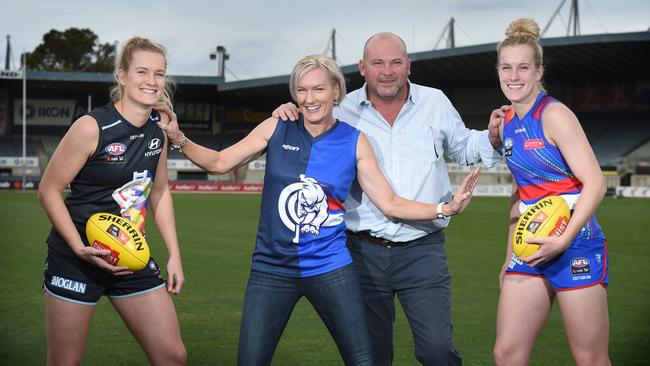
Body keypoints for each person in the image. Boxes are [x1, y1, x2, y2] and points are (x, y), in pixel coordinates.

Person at [156, 54, 480, 366]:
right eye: (302, 90)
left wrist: (445, 207)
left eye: (318, 89)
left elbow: (390, 203)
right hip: (271, 269)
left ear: (336, 91)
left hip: (330, 268)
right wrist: (179, 137)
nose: (310, 98)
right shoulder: (276, 127)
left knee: (364, 360)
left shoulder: (355, 141)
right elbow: (219, 162)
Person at [273, 33, 503, 365]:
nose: (387, 71)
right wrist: (288, 112)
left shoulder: (435, 102)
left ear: (408, 66)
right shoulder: (343, 109)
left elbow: (465, 147)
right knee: (371, 356)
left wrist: (492, 138)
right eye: (378, 63)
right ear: (363, 68)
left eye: (396, 62)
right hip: (359, 252)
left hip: (422, 249)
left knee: (437, 350)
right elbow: (308, 119)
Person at [38, 37, 186, 366]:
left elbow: (159, 192)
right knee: (64, 361)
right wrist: (78, 247)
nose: (152, 81)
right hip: (77, 257)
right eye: (142, 72)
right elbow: (49, 189)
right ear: (122, 76)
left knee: (172, 356)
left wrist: (174, 254)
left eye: (159, 74)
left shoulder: (158, 132)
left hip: (131, 254)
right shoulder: (92, 127)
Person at [490, 18, 610, 366]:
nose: (514, 76)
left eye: (523, 67)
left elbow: (596, 183)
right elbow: (521, 192)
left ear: (538, 71)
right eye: (506, 67)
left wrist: (563, 239)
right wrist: (508, 254)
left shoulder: (555, 115)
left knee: (590, 358)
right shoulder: (506, 121)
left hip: (575, 243)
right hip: (530, 246)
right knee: (507, 354)